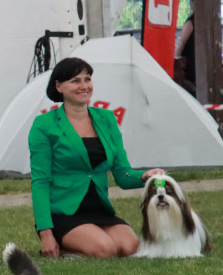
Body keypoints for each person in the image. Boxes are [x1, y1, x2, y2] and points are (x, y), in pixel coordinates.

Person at [29, 57, 164, 259]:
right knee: (106, 250)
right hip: (63, 212)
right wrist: (45, 232)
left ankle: (85, 243)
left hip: (98, 209)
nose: (84, 86)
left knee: (131, 247)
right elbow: (40, 181)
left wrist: (145, 175)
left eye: (87, 79)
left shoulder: (107, 119)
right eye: (75, 81)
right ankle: (61, 246)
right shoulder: (43, 124)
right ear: (59, 86)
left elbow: (122, 174)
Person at [174, 13, 195, 93]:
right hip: (189, 62)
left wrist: (175, 58)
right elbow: (182, 42)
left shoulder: (191, 22)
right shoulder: (191, 22)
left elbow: (182, 42)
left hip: (191, 65)